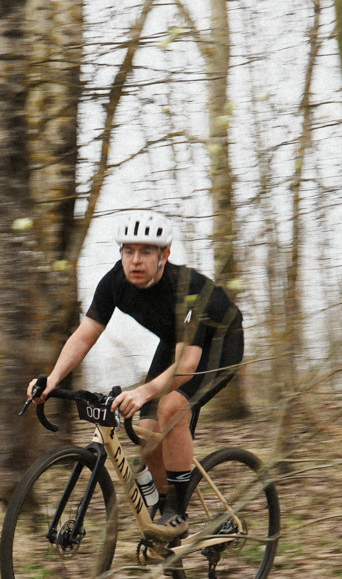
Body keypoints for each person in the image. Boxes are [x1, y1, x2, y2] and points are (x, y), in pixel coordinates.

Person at [26, 215, 245, 534]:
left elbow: (187, 364)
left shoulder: (187, 289)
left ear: (164, 255)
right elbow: (85, 333)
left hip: (221, 343)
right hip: (176, 343)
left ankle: (177, 511)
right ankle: (163, 511)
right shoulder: (114, 282)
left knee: (171, 409)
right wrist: (54, 379)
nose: (136, 260)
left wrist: (143, 392)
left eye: (146, 251)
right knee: (145, 430)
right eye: (128, 251)